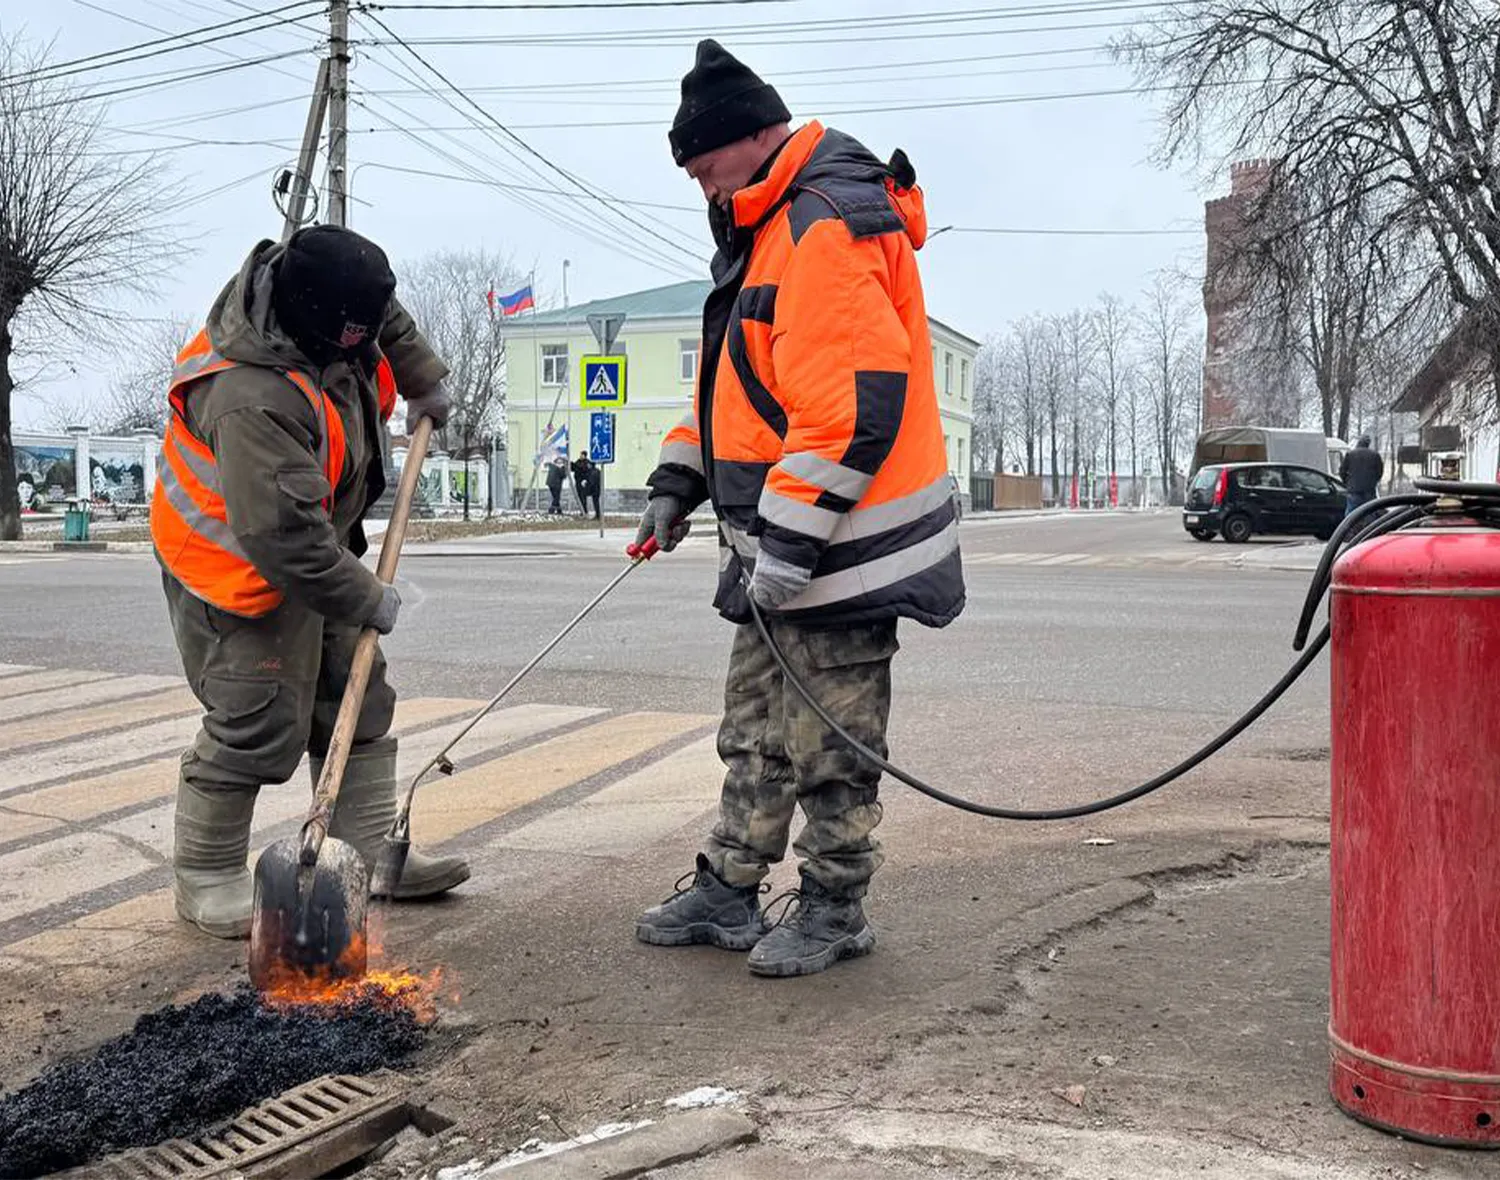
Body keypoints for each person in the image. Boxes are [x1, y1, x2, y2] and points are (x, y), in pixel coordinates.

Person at [632, 40, 964, 978]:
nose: (694, 180)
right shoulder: (765, 224)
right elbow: (735, 393)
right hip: (782, 545)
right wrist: (677, 483)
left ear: (750, 137)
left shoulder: (826, 219)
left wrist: (785, 542)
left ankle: (833, 907)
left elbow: (847, 409)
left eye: (700, 160)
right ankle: (731, 888)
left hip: (839, 549)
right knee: (756, 730)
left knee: (831, 742)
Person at [150, 225, 470, 940]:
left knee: (355, 688)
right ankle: (205, 875)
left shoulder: (333, 301)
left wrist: (421, 375)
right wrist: (369, 598)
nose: (365, 346)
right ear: (313, 323)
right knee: (255, 714)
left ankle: (364, 859)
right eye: (351, 338)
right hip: (231, 559)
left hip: (310, 537)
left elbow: (380, 314)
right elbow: (282, 539)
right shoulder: (250, 393)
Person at [1339, 435, 1384, 516]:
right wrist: (1373, 482)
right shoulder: (1375, 455)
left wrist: (1347, 483)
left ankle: (1350, 528)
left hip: (1354, 490)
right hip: (1369, 490)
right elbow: (1379, 472)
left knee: (1351, 513)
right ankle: (1370, 527)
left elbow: (1342, 471)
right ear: (1368, 444)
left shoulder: (1350, 454)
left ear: (1359, 442)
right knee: (1370, 512)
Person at [572, 452, 601, 519]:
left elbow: (585, 472)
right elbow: (574, 468)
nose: (580, 456)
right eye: (580, 455)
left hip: (586, 485)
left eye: (582, 455)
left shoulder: (588, 465)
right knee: (582, 499)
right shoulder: (578, 462)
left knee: (586, 499)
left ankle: (588, 513)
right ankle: (585, 512)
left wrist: (586, 482)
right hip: (582, 484)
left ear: (585, 456)